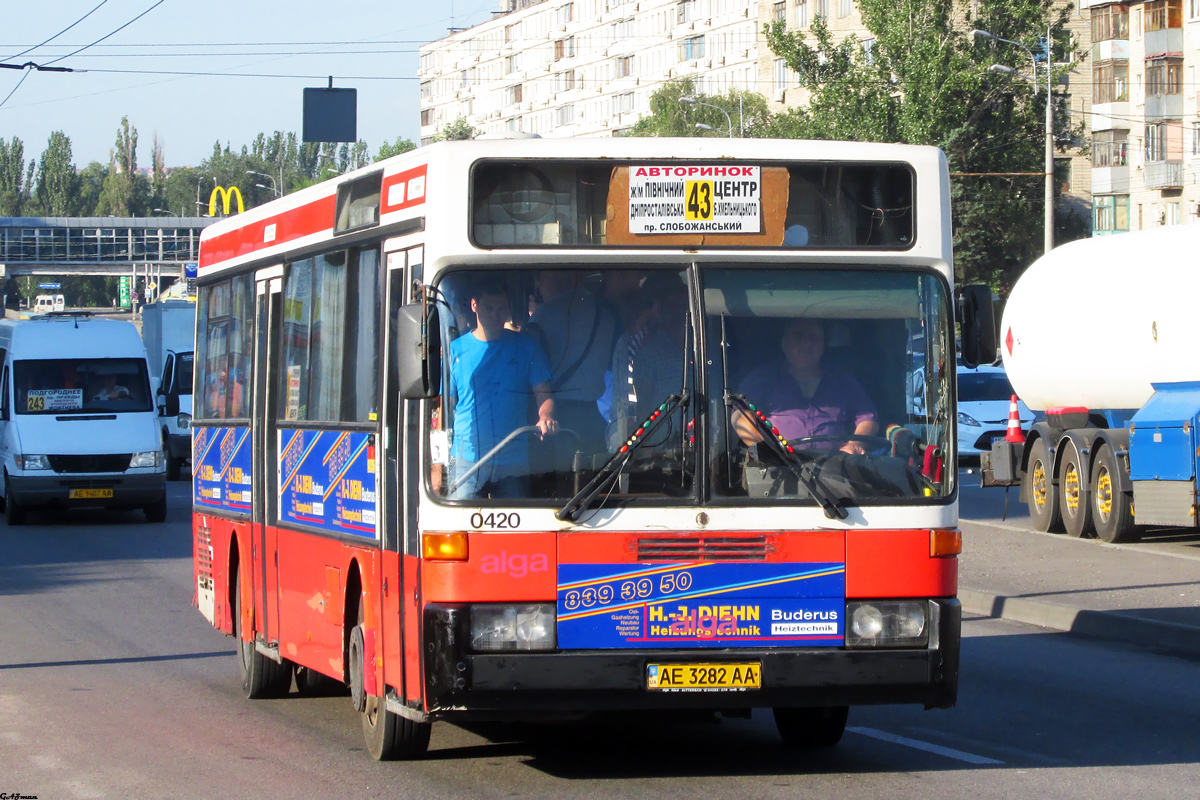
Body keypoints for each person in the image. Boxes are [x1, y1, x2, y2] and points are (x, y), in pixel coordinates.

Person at [447, 277, 557, 499]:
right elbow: (442, 411)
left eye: (501, 309)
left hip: (513, 460)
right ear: (474, 305)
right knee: (459, 525)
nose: (496, 315)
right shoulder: (455, 350)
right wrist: (436, 463)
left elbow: (544, 393)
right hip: (466, 459)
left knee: (515, 530)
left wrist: (546, 416)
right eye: (489, 308)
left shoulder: (526, 346)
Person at [734, 318, 878, 455]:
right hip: (779, 470)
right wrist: (767, 451)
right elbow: (740, 417)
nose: (806, 343)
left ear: (822, 346)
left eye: (813, 337)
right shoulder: (761, 379)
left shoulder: (843, 380)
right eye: (798, 336)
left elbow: (868, 418)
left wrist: (855, 444)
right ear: (784, 344)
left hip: (835, 471)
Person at [524, 271, 617, 455]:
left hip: (555, 417)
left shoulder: (543, 315)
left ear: (561, 278)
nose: (538, 286)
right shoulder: (605, 315)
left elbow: (529, 367)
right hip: (594, 416)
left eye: (541, 278)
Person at [607, 272, 690, 452]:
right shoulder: (638, 346)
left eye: (684, 306)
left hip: (690, 444)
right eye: (672, 306)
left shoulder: (699, 347)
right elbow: (638, 405)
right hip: (650, 442)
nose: (680, 313)